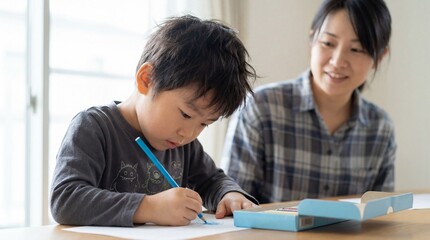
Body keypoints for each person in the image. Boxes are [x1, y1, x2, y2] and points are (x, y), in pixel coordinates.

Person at [50, 15, 258, 227]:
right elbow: (65, 199)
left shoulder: (183, 145)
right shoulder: (93, 128)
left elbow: (212, 180)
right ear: (146, 79)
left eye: (204, 124)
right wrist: (149, 207)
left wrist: (230, 194)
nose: (189, 133)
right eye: (186, 114)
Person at [222, 0, 395, 204]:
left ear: (379, 57)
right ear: (312, 39)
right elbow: (234, 206)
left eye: (356, 49)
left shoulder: (380, 129)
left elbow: (381, 216)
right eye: (328, 43)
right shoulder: (261, 108)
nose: (338, 61)